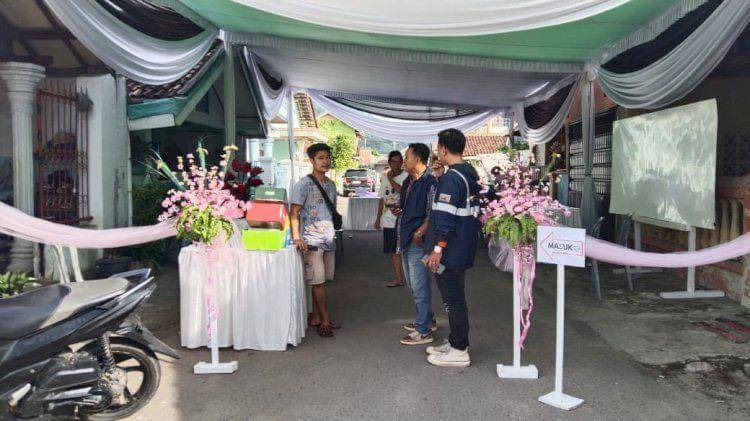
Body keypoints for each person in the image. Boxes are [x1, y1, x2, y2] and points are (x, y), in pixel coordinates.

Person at [424, 129, 482, 367]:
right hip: (463, 245)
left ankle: (459, 350)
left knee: (453, 300)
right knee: (455, 297)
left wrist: (437, 249)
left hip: (451, 250)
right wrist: (440, 179)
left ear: (444, 149)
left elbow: (446, 217)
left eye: (438, 148)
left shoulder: (453, 178)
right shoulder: (468, 173)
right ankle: (456, 341)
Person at [290, 143, 340, 338]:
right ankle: (325, 320)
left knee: (321, 281)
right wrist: (297, 237)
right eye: (320, 158)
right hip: (311, 240)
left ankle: (316, 316)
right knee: (317, 282)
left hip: (328, 238)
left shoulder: (331, 185)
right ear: (311, 161)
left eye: (327, 157)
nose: (325, 161)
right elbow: (294, 213)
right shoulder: (303, 184)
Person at [396, 143, 438, 346]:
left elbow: (433, 213)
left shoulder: (430, 182)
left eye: (407, 157)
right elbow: (407, 206)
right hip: (406, 238)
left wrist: (419, 232)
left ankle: (423, 331)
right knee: (414, 285)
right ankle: (427, 320)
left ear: (418, 159)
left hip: (418, 242)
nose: (404, 161)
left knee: (419, 286)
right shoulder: (410, 181)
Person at [375, 150, 409, 287]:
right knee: (393, 251)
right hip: (388, 219)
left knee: (406, 250)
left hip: (402, 218)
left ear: (402, 163)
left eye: (399, 162)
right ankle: (399, 278)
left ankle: (410, 277)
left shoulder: (407, 176)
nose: (396, 164)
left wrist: (390, 178)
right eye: (393, 162)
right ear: (389, 163)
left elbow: (403, 191)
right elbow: (382, 199)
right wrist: (378, 218)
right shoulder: (385, 177)